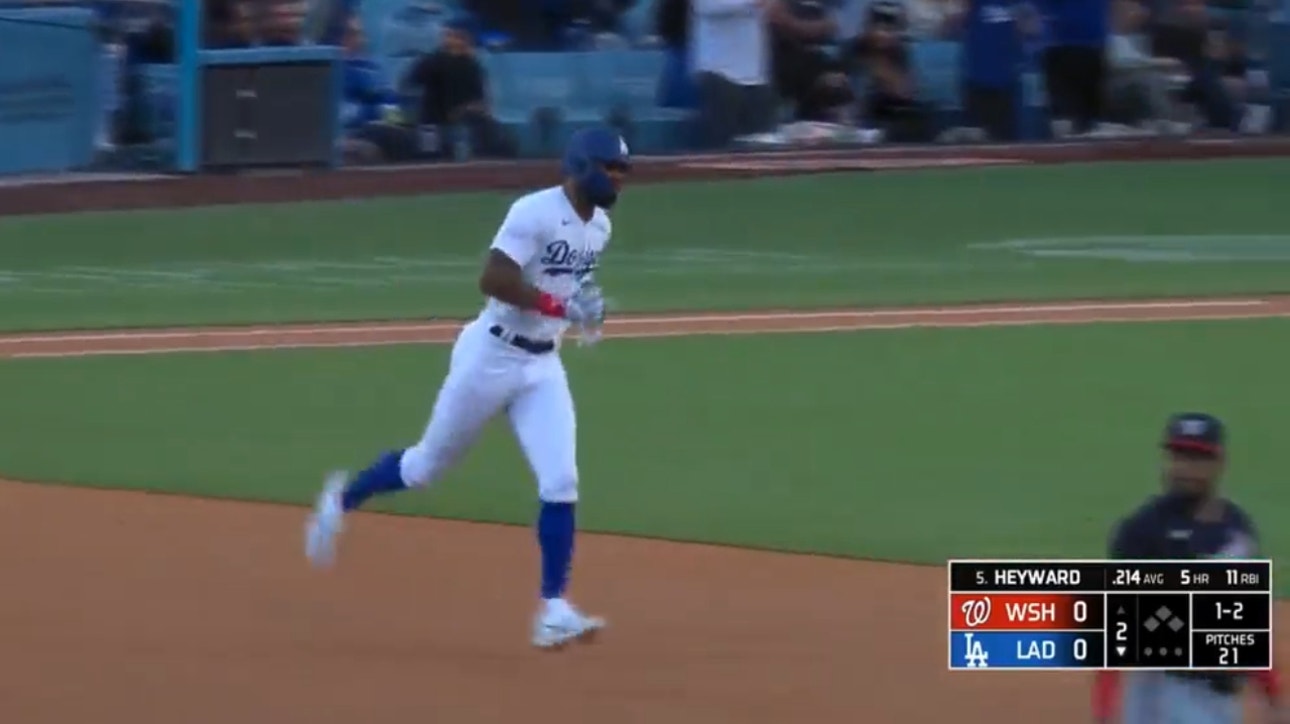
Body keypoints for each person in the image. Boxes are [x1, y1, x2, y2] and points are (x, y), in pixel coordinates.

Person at [304, 127, 628, 650]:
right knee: (424, 468)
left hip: (543, 367)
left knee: (561, 480)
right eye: (610, 167)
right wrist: (559, 307)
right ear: (581, 166)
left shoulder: (602, 229)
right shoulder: (533, 211)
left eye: (622, 170)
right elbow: (494, 279)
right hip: (490, 357)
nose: (618, 178)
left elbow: (567, 286)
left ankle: (553, 608)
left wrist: (587, 310)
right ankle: (340, 500)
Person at [1091, 413, 1286, 723]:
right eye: (1179, 456)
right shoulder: (1142, 530)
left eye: (1197, 458)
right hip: (1157, 690)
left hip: (1218, 698)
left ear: (1218, 463)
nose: (1185, 469)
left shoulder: (1236, 530)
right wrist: (1104, 711)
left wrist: (1271, 694)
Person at [402, 19, 517, 158]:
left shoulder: (473, 66)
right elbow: (408, 87)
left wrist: (470, 109)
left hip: (467, 122)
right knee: (432, 149)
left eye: (459, 37)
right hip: (433, 123)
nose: (453, 41)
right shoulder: (430, 62)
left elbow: (481, 102)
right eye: (449, 36)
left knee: (498, 137)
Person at [691, 0, 779, 148]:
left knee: (762, 143)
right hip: (719, 73)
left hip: (756, 76)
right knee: (721, 144)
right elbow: (704, 6)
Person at [847, 0, 935, 142]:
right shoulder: (851, 48)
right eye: (877, 24)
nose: (882, 32)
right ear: (867, 25)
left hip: (889, 120)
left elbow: (905, 92)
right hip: (854, 120)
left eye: (889, 27)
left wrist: (880, 64)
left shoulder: (901, 52)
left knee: (918, 122)